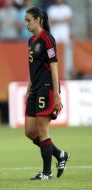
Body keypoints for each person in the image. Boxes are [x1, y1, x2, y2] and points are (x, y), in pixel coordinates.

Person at [24, 7, 70, 180]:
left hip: (46, 88)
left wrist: (57, 94)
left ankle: (46, 172)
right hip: (35, 89)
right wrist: (29, 87)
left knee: (43, 130)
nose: (26, 24)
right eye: (25, 20)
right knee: (30, 131)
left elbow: (54, 67)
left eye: (29, 20)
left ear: (38, 20)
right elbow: (33, 67)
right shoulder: (31, 41)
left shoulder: (47, 39)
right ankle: (60, 155)